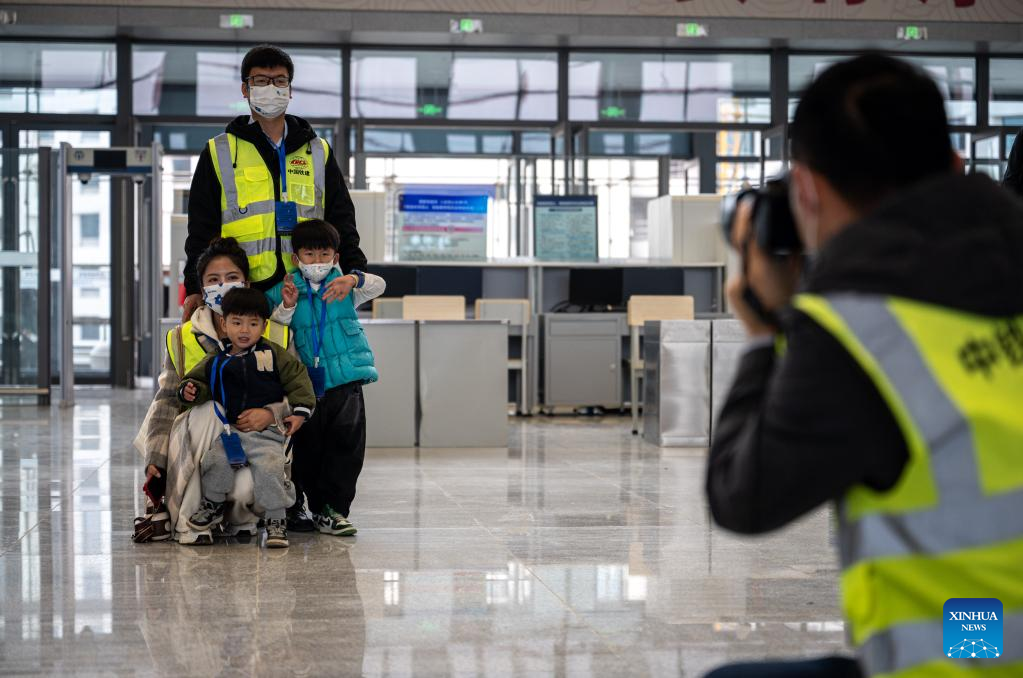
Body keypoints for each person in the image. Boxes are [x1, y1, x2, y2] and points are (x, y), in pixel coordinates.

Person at [705, 55, 1023, 677]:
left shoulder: (855, 329)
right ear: (955, 168)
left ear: (808, 190)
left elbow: (742, 497)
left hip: (971, 656)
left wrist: (765, 331)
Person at [181, 43, 367, 320]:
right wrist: (195, 286)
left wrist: (354, 271)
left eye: (279, 81)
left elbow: (341, 218)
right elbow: (200, 226)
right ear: (245, 89)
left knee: (308, 362)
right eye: (260, 81)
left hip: (308, 285)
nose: (271, 88)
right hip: (246, 290)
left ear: (290, 90)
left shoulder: (317, 150)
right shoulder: (219, 151)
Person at [134, 237, 297, 541]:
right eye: (214, 280)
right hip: (198, 442)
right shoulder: (182, 337)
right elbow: (166, 401)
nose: (224, 285)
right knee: (211, 409)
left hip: (257, 442)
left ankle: (228, 518)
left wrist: (269, 413)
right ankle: (189, 523)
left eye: (232, 278)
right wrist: (155, 459)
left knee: (247, 487)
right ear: (203, 288)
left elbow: (297, 393)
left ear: (246, 282)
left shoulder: (275, 332)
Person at [266, 219, 385, 537]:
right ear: (296, 258)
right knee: (308, 448)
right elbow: (269, 319)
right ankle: (308, 505)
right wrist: (287, 306)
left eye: (324, 254)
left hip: (347, 382)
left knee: (346, 446)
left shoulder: (344, 287)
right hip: (308, 386)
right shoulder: (288, 287)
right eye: (309, 254)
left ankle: (334, 510)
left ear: (335, 256)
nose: (316, 261)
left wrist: (353, 277)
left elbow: (379, 286)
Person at [179, 287, 316, 549]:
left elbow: (299, 381)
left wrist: (300, 413)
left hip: (266, 434)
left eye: (253, 324)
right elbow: (197, 383)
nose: (244, 330)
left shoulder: (274, 354)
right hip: (230, 433)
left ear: (264, 326)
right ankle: (213, 504)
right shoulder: (217, 360)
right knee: (214, 461)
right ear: (224, 323)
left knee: (270, 468)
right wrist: (189, 391)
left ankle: (277, 520)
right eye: (237, 322)